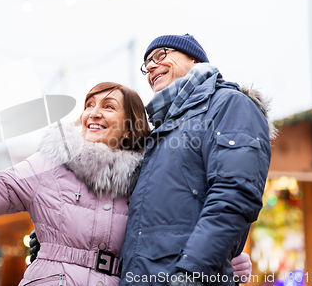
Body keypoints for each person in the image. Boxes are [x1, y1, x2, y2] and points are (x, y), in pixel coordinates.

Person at [0, 71, 253, 286]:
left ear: (131, 124)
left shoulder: (149, 183)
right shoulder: (50, 164)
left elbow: (175, 238)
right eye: (89, 105)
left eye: (108, 106)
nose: (93, 113)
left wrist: (223, 266)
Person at [118, 34, 275, 286]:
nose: (151, 67)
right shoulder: (160, 131)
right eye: (146, 64)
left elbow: (234, 195)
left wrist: (194, 272)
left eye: (161, 55)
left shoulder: (228, 105)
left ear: (194, 58)